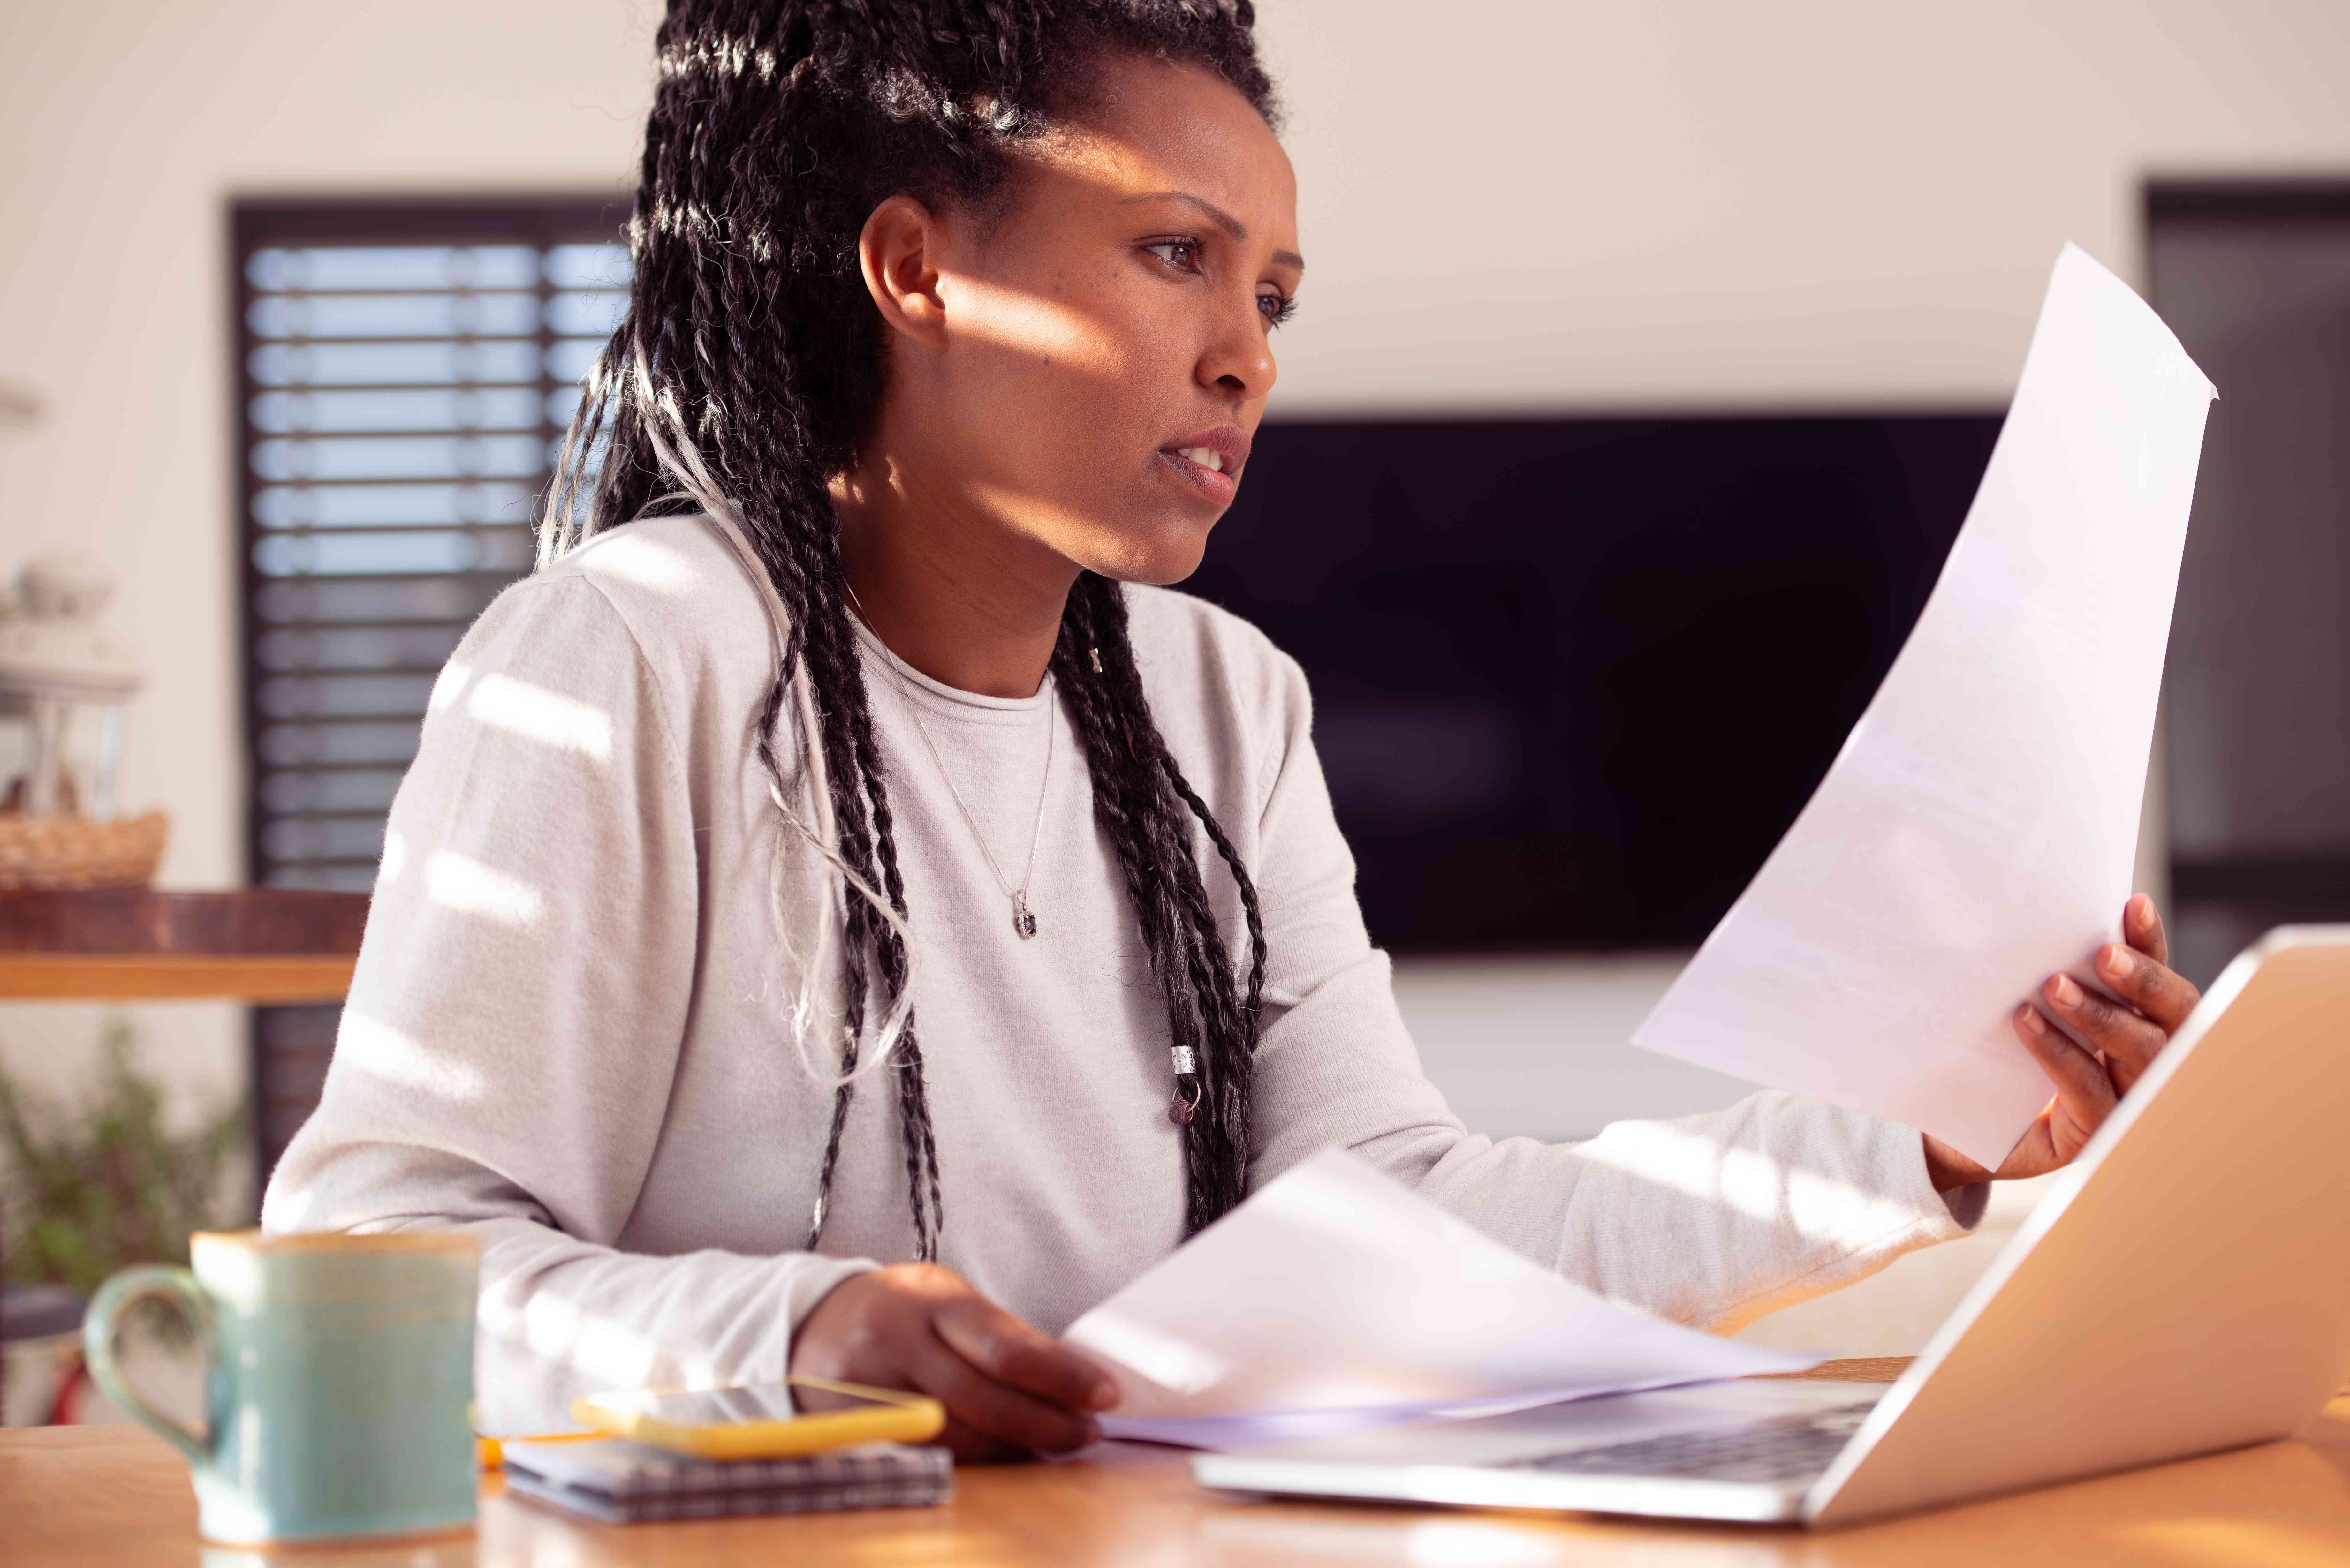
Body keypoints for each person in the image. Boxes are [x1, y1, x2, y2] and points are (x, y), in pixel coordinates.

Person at [262, 0, 2203, 1458]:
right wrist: (802, 1337)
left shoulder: (1220, 705)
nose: (1249, 354)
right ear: (914, 266)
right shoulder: (622, 663)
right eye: (1176, 253)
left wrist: (1927, 1143)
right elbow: (374, 1260)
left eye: (1271, 289)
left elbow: (1406, 1215)